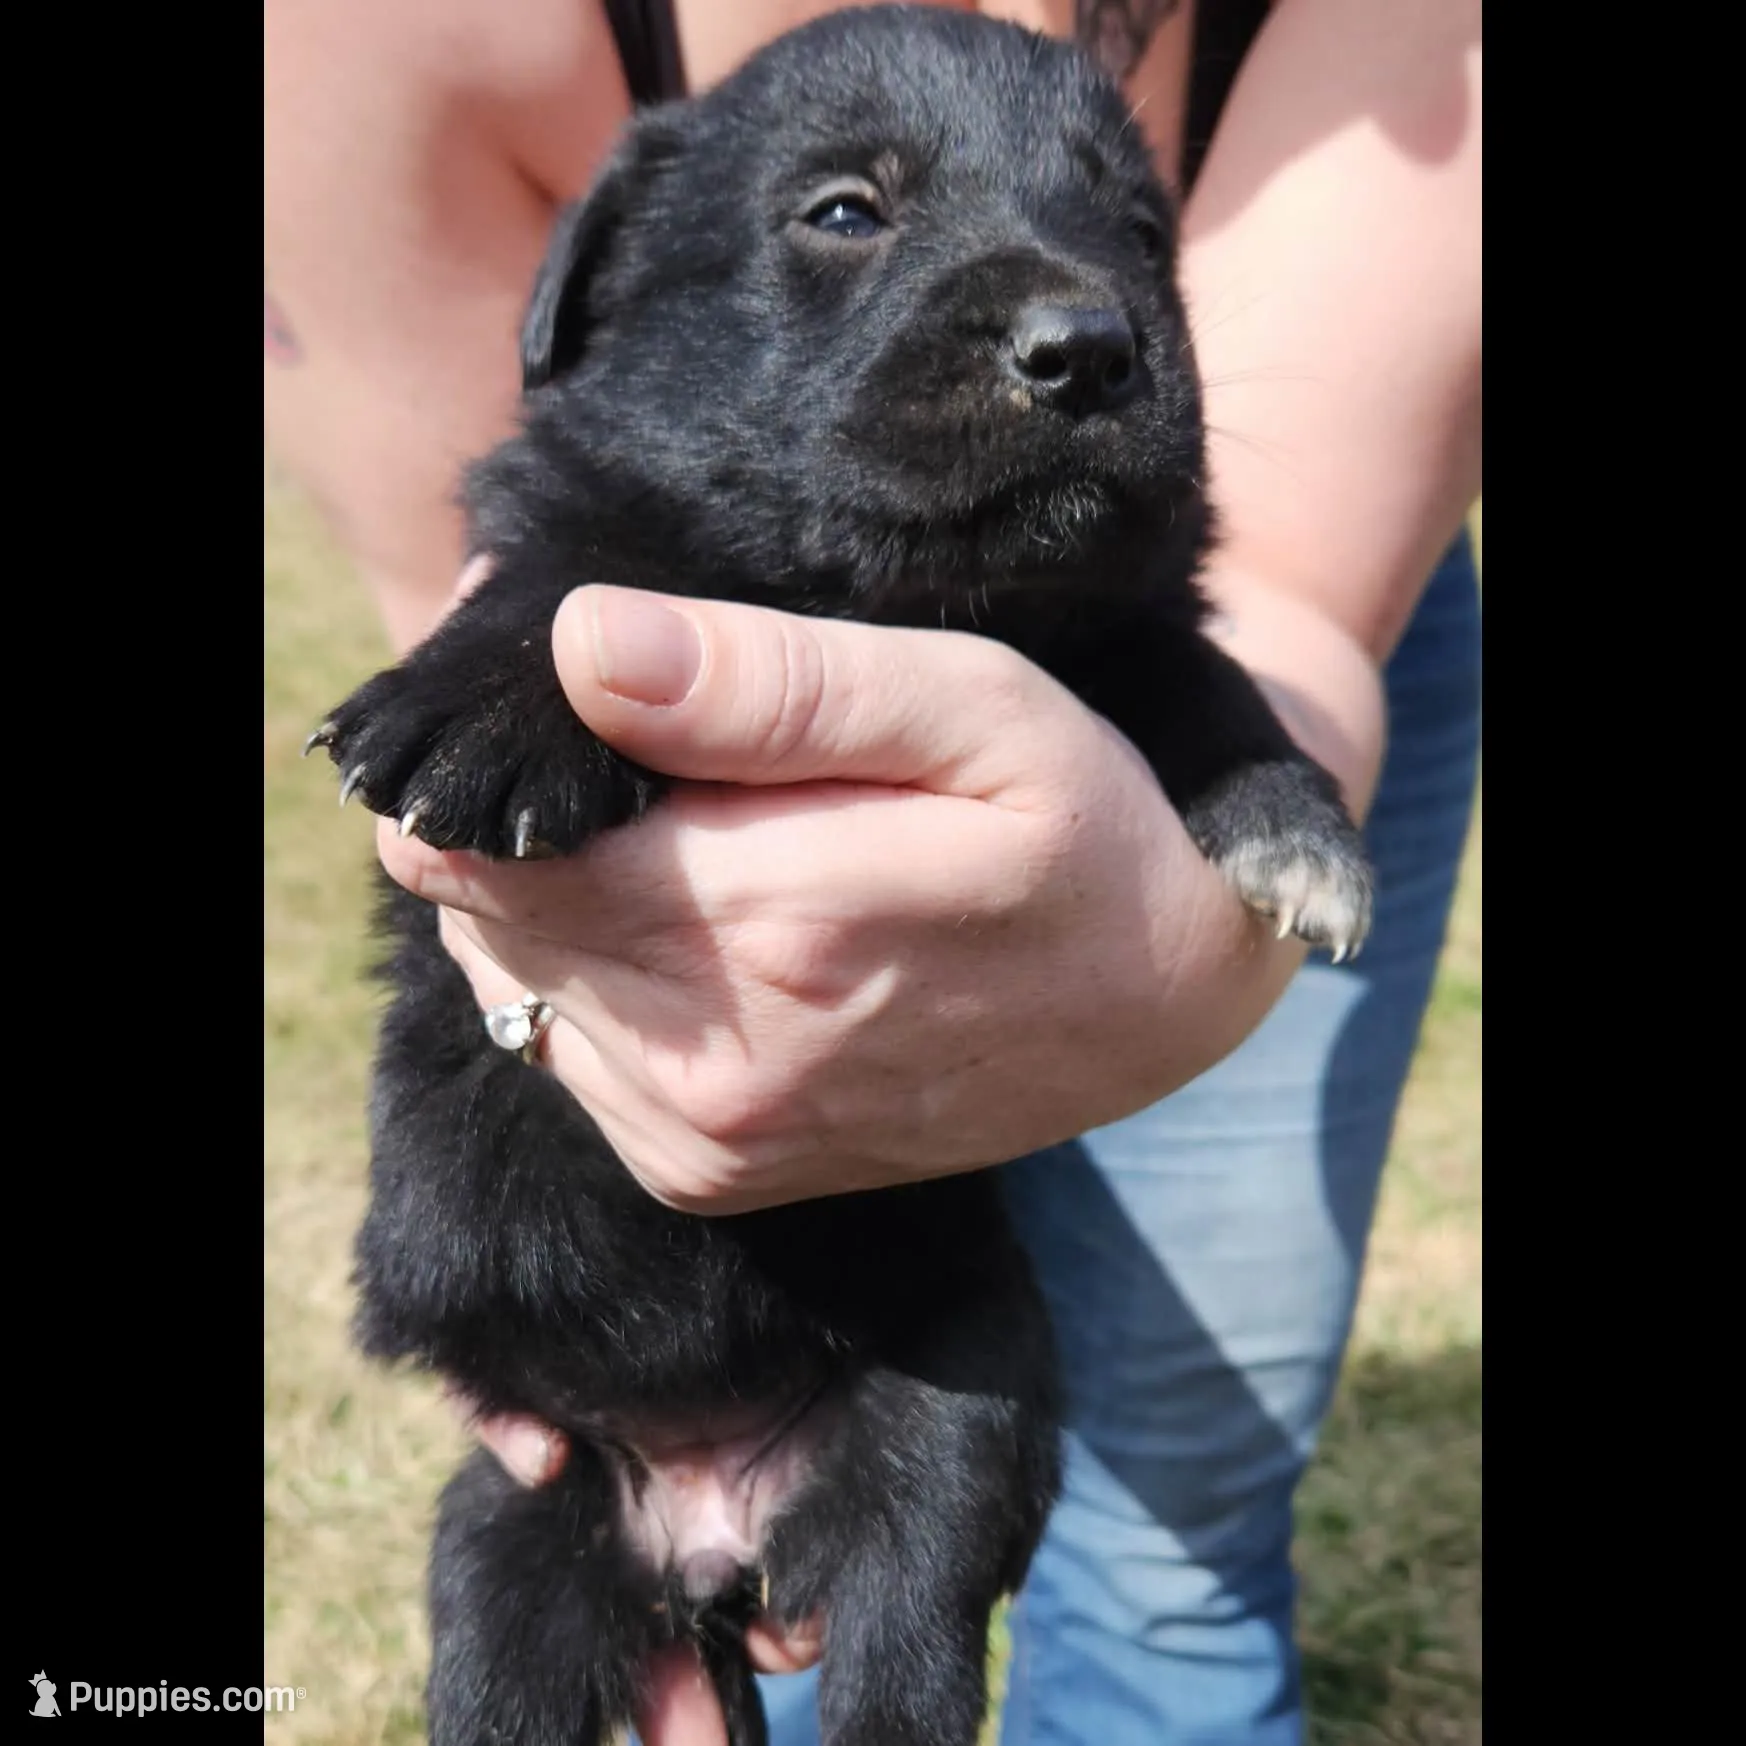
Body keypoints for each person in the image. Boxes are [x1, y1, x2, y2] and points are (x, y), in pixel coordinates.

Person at [263, 2, 1481, 1743]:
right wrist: (539, 735)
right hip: (614, 1342)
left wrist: (1229, 825)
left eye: (1120, 228)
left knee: (1168, 1506)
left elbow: (1240, 599)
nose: (1075, 307)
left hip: (910, 1339)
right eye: (847, 213)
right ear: (619, 277)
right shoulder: (383, 35)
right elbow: (515, 532)